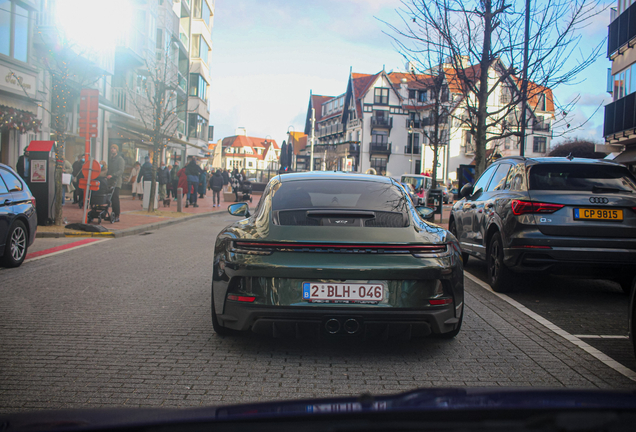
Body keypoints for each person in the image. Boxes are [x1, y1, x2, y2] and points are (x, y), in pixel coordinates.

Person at [106, 144, 125, 223]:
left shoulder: (120, 159)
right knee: (110, 198)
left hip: (116, 182)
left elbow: (121, 170)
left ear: (116, 150)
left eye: (114, 148)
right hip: (110, 181)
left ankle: (117, 215)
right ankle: (112, 214)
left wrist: (113, 175)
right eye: (111, 148)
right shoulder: (111, 159)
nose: (112, 149)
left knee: (115, 198)